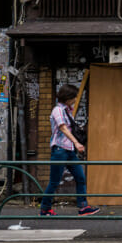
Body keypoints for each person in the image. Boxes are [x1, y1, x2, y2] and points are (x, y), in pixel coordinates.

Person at [40, 83, 100, 216]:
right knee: (54, 181)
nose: (75, 99)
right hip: (60, 150)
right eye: (74, 96)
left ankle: (83, 207)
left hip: (69, 150)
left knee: (80, 177)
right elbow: (62, 127)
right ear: (67, 97)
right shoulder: (58, 110)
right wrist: (77, 143)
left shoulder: (67, 111)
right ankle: (44, 209)